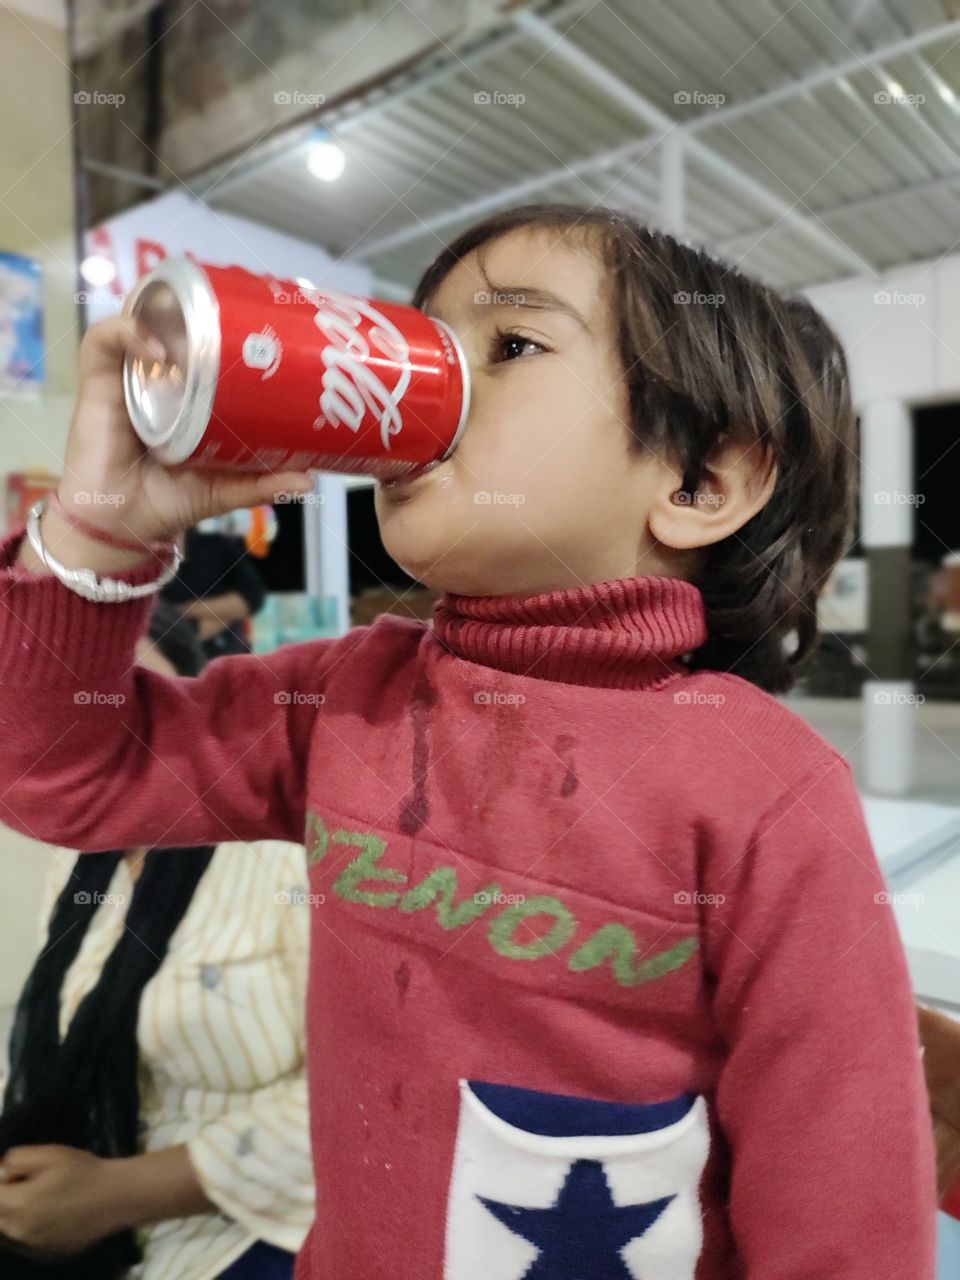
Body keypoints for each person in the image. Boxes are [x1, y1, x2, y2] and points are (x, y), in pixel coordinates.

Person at [0, 202, 937, 1279]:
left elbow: (846, 1208)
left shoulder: (765, 790)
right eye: (424, 344)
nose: (427, 387)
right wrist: (102, 525)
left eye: (512, 346)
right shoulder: (345, 693)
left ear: (698, 482)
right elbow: (62, 774)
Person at [0, 600, 314, 1278]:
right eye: (73, 715)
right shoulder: (82, 867)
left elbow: (362, 1099)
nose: (99, 733)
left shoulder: (287, 856)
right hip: (122, 1238)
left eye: (132, 699)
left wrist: (119, 1195)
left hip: (260, 1237)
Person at [162, 523, 267, 659]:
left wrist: (183, 611)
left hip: (223, 657)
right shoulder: (143, 558)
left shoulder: (216, 546)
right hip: (166, 662)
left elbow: (253, 597)